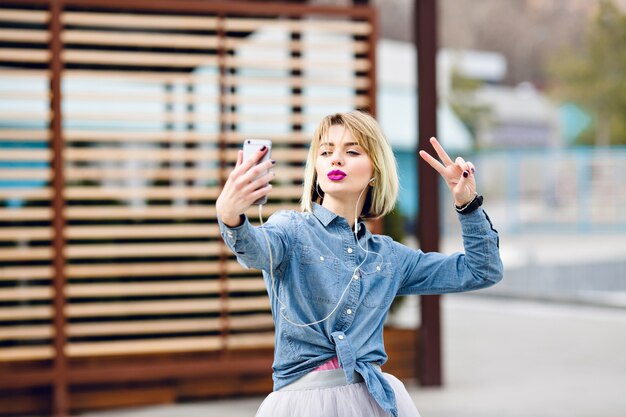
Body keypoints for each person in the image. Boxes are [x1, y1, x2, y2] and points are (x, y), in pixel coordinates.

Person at [215, 111, 503, 417]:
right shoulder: (289, 229)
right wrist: (230, 216)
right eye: (326, 152)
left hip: (372, 400)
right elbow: (254, 249)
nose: (336, 160)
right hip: (301, 403)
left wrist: (467, 205)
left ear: (374, 171)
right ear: (316, 167)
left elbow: (481, 271)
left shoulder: (388, 256)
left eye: (352, 151)